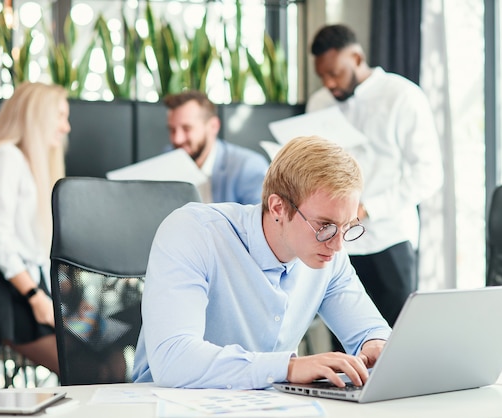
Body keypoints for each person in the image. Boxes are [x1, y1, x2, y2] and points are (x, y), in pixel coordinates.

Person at [132, 135, 391, 389]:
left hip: (263, 406)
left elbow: (370, 331)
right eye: (325, 226)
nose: (338, 245)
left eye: (346, 226)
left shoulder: (329, 256)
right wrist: (288, 368)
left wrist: (376, 345)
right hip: (168, 403)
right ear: (278, 207)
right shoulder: (194, 232)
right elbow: (173, 359)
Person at [307, 24, 443, 328]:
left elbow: (429, 172)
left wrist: (367, 208)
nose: (329, 83)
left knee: (397, 339)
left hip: (389, 237)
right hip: (338, 244)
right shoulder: (319, 104)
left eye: (335, 73)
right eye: (323, 76)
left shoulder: (402, 96)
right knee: (342, 343)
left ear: (356, 58)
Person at [0, 82, 71, 376]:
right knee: (84, 368)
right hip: (5, 288)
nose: (66, 127)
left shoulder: (27, 163)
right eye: (60, 116)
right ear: (37, 115)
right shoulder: (5, 158)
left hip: (25, 284)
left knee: (105, 358)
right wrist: (35, 297)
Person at [164, 90, 269, 204]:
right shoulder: (169, 158)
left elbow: (258, 220)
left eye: (187, 129)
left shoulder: (248, 167)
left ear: (213, 126)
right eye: (172, 130)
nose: (177, 139)